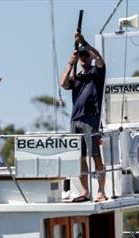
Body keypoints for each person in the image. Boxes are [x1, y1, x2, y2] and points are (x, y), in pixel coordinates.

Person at [60, 32, 107, 202]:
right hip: (75, 120)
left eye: (86, 55)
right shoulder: (77, 76)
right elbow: (63, 83)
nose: (84, 58)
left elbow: (99, 57)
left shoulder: (97, 72)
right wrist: (69, 64)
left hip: (91, 119)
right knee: (80, 158)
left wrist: (84, 43)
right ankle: (85, 192)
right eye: (81, 55)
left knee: (96, 156)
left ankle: (101, 192)